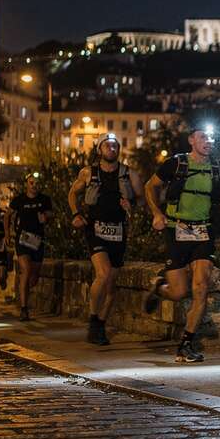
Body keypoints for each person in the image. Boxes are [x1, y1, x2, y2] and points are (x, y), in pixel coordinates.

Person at [142, 127, 220, 363]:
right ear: (191, 140)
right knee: (178, 292)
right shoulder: (175, 164)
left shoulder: (217, 168)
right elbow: (149, 186)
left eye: (211, 137)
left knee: (201, 288)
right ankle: (160, 288)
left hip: (203, 231)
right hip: (176, 229)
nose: (208, 140)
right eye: (203, 137)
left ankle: (186, 343)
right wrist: (156, 213)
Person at [68, 134, 143, 346]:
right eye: (107, 145)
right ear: (99, 149)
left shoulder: (130, 174)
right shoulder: (88, 173)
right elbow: (72, 194)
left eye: (115, 146)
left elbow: (141, 198)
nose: (112, 149)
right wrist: (76, 214)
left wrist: (132, 206)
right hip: (95, 228)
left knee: (112, 286)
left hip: (118, 231)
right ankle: (93, 317)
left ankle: (100, 325)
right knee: (103, 273)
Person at [7, 173, 53, 321]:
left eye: (37, 183)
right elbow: (7, 215)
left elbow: (50, 215)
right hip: (23, 240)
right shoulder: (19, 200)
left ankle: (24, 290)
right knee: (26, 270)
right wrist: (7, 233)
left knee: (33, 279)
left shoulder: (45, 199)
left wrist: (45, 218)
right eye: (31, 183)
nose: (34, 186)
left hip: (37, 241)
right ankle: (24, 308)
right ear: (27, 184)